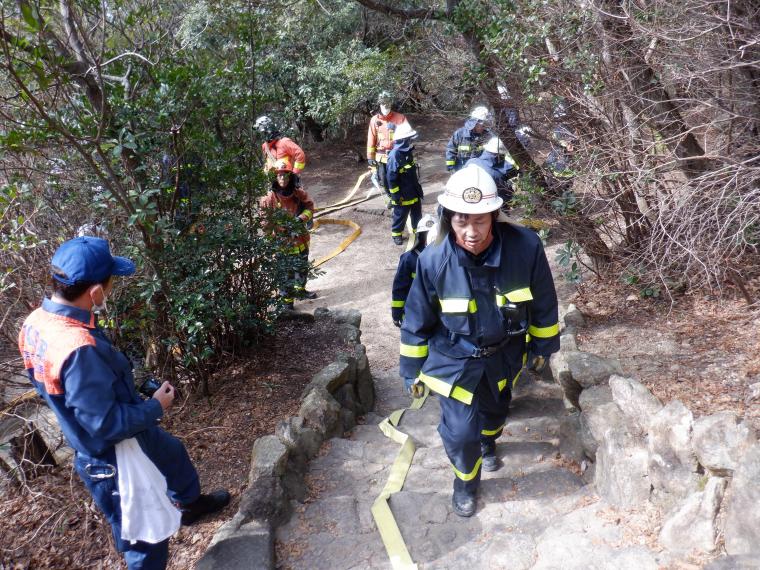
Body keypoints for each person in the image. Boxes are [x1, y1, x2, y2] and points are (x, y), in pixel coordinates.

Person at [18, 237, 230, 570]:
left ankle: (191, 505)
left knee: (172, 453)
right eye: (111, 281)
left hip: (130, 428)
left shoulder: (37, 321)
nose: (113, 287)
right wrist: (156, 407)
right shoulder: (77, 347)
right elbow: (105, 425)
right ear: (95, 294)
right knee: (144, 541)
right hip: (110, 454)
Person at [399, 165, 560, 518]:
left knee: (495, 415)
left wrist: (542, 349)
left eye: (480, 221)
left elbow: (544, 303)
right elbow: (416, 319)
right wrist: (411, 370)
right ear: (447, 218)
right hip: (453, 360)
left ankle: (489, 441)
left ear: (495, 216)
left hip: (503, 357)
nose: (471, 232)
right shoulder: (432, 261)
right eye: (461, 221)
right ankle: (465, 483)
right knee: (460, 433)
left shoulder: (526, 248)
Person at [259, 159, 317, 307]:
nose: (282, 178)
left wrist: (301, 218)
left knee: (302, 267)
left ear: (291, 177)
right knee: (286, 274)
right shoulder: (269, 198)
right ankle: (287, 304)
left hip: (301, 239)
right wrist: (272, 239)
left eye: (285, 175)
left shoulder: (298, 194)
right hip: (282, 243)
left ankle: (300, 291)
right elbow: (265, 222)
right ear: (274, 178)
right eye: (279, 175)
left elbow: (310, 207)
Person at [391, 214, 438, 327]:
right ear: (420, 236)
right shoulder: (409, 259)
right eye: (426, 234)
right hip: (415, 310)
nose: (429, 238)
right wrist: (397, 315)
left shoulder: (444, 258)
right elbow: (399, 288)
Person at [386, 120, 424, 246]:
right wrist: (396, 196)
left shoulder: (407, 152)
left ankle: (417, 231)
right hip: (402, 193)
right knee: (400, 215)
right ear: (403, 140)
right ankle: (396, 233)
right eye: (409, 139)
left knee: (417, 213)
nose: (411, 141)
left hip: (413, 190)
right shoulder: (395, 155)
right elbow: (391, 178)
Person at [366, 91, 407, 201]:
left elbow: (408, 137)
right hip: (381, 156)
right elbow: (371, 139)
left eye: (388, 102)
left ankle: (399, 197)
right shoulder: (374, 120)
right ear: (379, 104)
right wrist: (370, 157)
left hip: (396, 156)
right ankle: (391, 198)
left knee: (397, 178)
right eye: (383, 103)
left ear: (391, 103)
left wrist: (396, 129)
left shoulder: (400, 118)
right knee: (384, 179)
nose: (385, 105)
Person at [465, 136, 519, 213]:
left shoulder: (470, 162)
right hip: (487, 208)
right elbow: (506, 196)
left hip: (467, 200)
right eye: (502, 155)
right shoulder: (496, 175)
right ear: (498, 155)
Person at [445, 106, 493, 172]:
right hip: (461, 167)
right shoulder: (460, 134)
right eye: (482, 125)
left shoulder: (487, 136)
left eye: (485, 125)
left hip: (480, 168)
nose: (484, 127)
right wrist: (451, 168)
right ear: (475, 124)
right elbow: (450, 150)